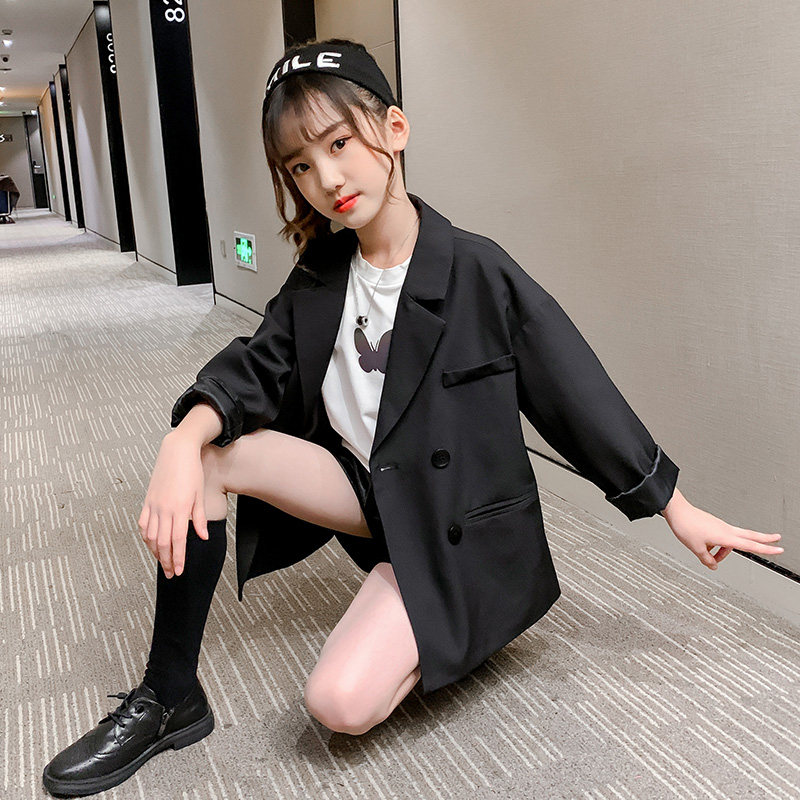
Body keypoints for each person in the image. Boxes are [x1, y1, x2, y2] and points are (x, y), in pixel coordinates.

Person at [42, 37, 784, 797]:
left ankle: (466, 616)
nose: (327, 179)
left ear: (394, 129)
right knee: (207, 452)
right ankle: (169, 694)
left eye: (339, 143)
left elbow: (574, 390)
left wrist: (674, 505)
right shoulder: (323, 274)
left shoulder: (475, 268)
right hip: (370, 491)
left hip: (451, 522)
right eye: (301, 166)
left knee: (338, 703)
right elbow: (255, 365)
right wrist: (182, 437)